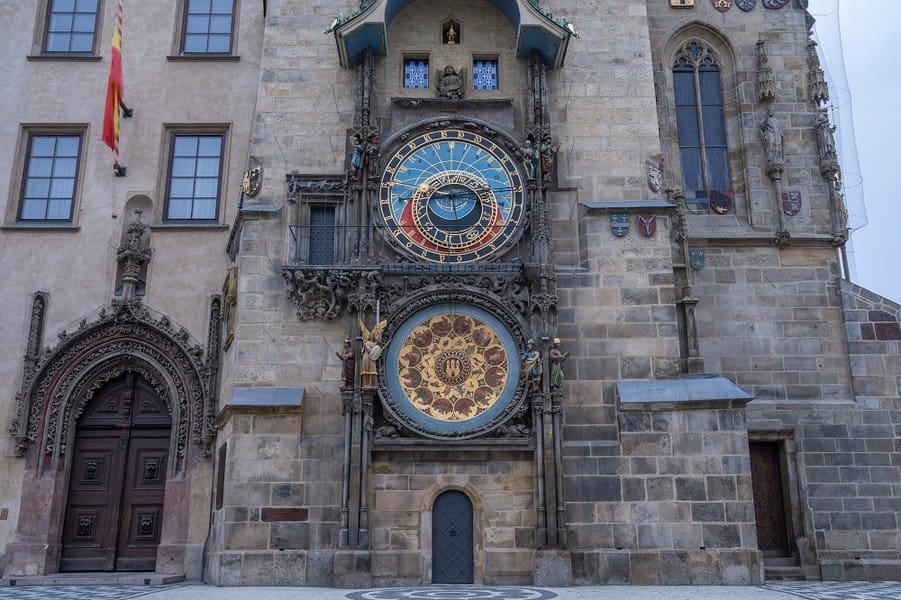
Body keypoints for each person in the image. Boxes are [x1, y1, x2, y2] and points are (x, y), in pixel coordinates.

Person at [359, 318, 387, 389]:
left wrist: (379, 333)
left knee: (372, 370)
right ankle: (365, 383)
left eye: (372, 335)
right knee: (366, 370)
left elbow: (379, 342)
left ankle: (371, 383)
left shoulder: (375, 343)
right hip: (366, 356)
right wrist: (367, 347)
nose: (371, 335)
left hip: (372, 357)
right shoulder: (367, 343)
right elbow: (367, 349)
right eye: (370, 335)